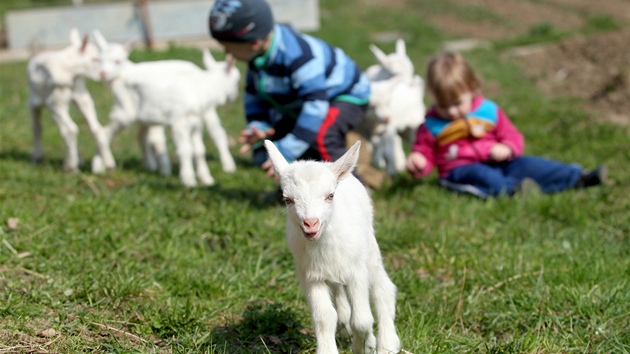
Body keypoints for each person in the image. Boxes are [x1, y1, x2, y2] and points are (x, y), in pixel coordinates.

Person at [406, 51, 607, 199]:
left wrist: (507, 147)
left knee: (530, 164)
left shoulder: (489, 112)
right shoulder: (431, 124)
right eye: (443, 105)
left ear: (473, 89)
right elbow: (424, 151)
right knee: (483, 176)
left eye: (457, 103)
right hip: (459, 170)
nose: (450, 112)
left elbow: (511, 135)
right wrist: (419, 161)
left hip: (500, 161)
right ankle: (514, 191)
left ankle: (578, 177)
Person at [208, 0, 371, 177]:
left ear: (253, 43)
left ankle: (350, 190)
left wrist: (286, 150)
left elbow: (316, 105)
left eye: (229, 48)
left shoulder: (298, 56)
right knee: (285, 132)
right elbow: (254, 96)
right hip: (306, 100)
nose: (227, 53)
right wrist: (259, 125)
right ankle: (294, 194)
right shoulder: (257, 59)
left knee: (323, 136)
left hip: (345, 94)